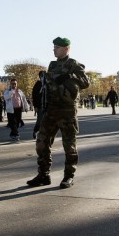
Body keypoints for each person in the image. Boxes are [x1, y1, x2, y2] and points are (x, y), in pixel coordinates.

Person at [27, 37, 89, 189]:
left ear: (66, 49)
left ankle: (69, 176)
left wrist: (70, 76)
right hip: (52, 110)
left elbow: (85, 82)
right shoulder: (52, 65)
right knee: (41, 142)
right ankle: (43, 174)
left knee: (69, 146)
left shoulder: (74, 64)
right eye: (54, 47)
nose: (54, 49)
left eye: (56, 47)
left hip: (67, 111)